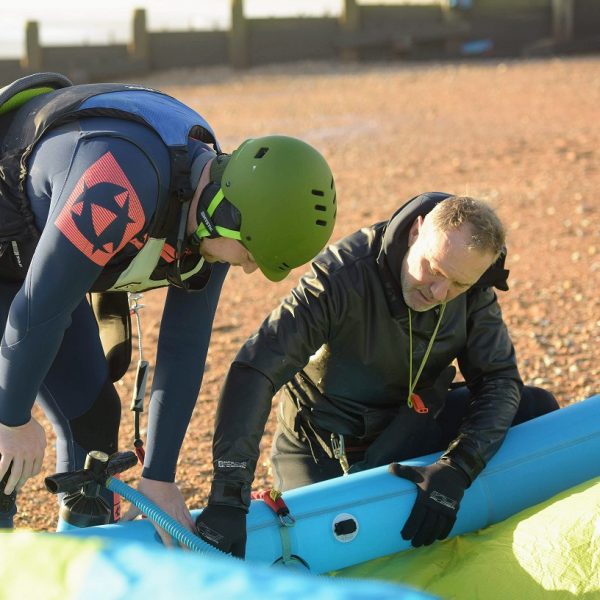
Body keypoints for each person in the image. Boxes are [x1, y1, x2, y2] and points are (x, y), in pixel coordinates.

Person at [0, 72, 337, 541]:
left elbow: (183, 347)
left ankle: (80, 561)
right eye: (250, 255)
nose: (248, 271)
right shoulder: (117, 183)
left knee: (92, 418)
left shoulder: (222, 201)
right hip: (14, 250)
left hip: (41, 258)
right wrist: (11, 417)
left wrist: (159, 475)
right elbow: (38, 310)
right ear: (226, 213)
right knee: (4, 439)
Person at [195, 192, 559, 557]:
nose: (438, 292)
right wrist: (228, 495)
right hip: (323, 447)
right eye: (434, 269)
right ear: (416, 231)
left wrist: (458, 467)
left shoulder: (472, 282)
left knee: (536, 409)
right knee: (323, 553)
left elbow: (498, 380)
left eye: (458, 285)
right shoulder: (340, 275)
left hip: (410, 426)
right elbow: (255, 369)